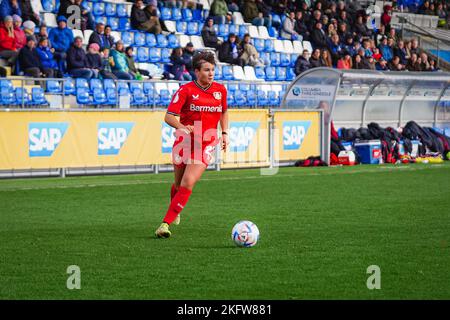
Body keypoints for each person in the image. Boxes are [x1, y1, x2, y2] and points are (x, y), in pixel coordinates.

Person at [154, 51, 228, 238]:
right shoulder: (185, 90)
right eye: (206, 70)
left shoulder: (220, 90)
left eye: (212, 69)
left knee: (188, 182)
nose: (211, 73)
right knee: (178, 185)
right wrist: (181, 127)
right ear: (196, 71)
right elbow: (169, 116)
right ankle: (176, 209)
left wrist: (225, 133)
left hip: (206, 143)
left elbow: (224, 112)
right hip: (184, 143)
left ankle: (165, 224)